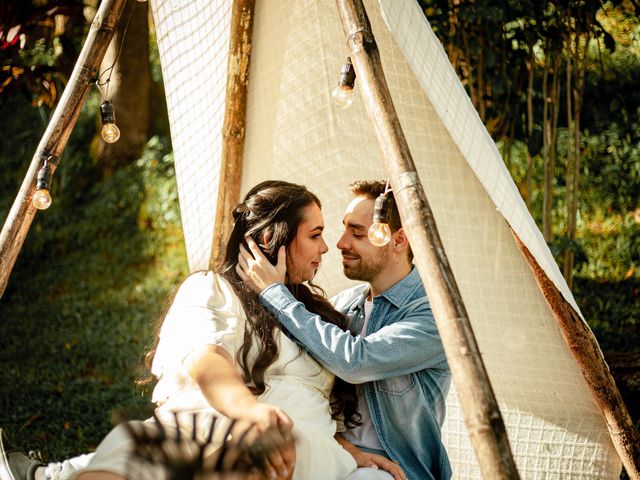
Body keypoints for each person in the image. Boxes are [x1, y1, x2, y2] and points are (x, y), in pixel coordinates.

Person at [1, 181, 404, 480]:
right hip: (220, 429)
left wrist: (348, 449)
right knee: (137, 452)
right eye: (314, 235)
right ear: (270, 239)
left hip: (299, 448)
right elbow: (207, 359)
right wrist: (251, 412)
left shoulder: (317, 316)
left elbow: (325, 392)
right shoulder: (212, 289)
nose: (326, 247)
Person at [237, 180, 452, 480]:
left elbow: (355, 361)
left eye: (358, 233)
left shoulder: (435, 315)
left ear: (399, 241)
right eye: (344, 229)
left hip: (396, 471)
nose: (340, 243)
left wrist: (275, 295)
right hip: (337, 454)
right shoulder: (342, 306)